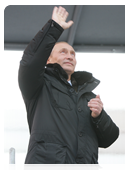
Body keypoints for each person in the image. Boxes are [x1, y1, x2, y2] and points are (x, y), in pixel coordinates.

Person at [18, 6, 119, 170]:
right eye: (63, 52)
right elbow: (29, 62)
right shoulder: (39, 85)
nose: (70, 56)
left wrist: (99, 116)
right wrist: (54, 28)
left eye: (73, 54)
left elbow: (110, 138)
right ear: (48, 59)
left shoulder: (88, 95)